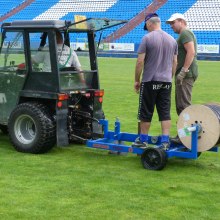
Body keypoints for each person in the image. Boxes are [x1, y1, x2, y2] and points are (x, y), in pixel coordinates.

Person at [133, 13, 178, 149]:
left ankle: (143, 140)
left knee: (146, 111)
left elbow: (140, 61)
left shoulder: (147, 38)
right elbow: (175, 62)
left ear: (149, 23)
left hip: (150, 80)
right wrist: (169, 77)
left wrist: (136, 80)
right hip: (166, 81)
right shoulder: (172, 40)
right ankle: (165, 141)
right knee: (165, 112)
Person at [166, 13, 198, 143]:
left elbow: (191, 52)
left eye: (173, 23)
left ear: (181, 21)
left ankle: (185, 136)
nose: (171, 26)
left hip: (186, 75)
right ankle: (184, 135)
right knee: (182, 105)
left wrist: (183, 71)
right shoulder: (184, 34)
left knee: (183, 105)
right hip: (186, 74)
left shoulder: (185, 34)